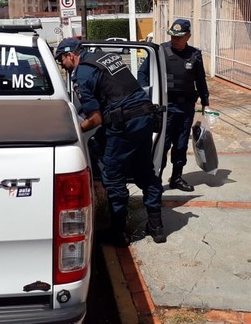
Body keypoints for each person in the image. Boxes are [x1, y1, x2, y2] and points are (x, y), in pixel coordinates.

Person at [55, 37, 166, 246]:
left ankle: (118, 233)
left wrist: (75, 129)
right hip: (145, 118)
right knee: (145, 172)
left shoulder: (82, 73)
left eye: (62, 60)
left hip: (123, 125)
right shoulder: (107, 57)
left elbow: (95, 119)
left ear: (71, 55)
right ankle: (156, 226)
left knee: (114, 180)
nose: (62, 65)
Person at [160, 19, 210, 192]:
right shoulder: (161, 51)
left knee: (181, 145)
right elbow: (145, 74)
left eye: (179, 37)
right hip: (166, 108)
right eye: (173, 36)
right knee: (162, 145)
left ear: (188, 36)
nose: (175, 39)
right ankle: (156, 180)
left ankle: (177, 178)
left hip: (186, 108)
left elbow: (200, 80)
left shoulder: (195, 55)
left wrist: (205, 101)